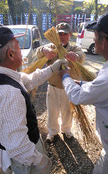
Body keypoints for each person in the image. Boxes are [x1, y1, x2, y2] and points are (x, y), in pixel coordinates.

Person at [60, 11, 108, 174]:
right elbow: (104, 89)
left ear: (105, 40)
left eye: (96, 34)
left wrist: (65, 76)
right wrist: (80, 82)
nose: (93, 38)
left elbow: (77, 97)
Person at [0, 26, 68, 174]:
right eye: (18, 48)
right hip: (25, 162)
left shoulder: (8, 76)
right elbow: (18, 146)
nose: (21, 52)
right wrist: (41, 161)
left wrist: (53, 68)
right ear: (10, 54)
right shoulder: (9, 93)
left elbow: (29, 81)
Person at [36, 22, 85, 142]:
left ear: (69, 35)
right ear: (56, 35)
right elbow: (38, 53)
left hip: (68, 87)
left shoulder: (73, 48)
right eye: (60, 34)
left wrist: (76, 56)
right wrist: (44, 50)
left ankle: (66, 130)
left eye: (65, 34)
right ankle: (52, 132)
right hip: (53, 86)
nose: (62, 37)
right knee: (52, 111)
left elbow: (82, 55)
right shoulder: (51, 47)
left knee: (67, 111)